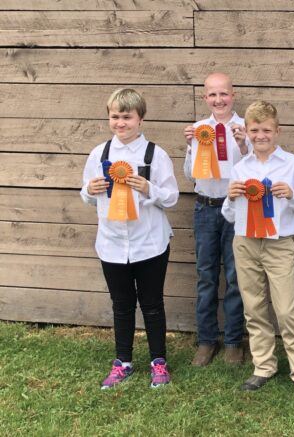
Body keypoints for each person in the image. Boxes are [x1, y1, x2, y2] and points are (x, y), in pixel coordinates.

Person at [81, 88, 179, 389]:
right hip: (112, 244)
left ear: (140, 119)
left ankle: (158, 362)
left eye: (127, 117)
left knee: (152, 304)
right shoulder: (99, 154)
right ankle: (122, 362)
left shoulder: (155, 155)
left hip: (149, 242)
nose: (120, 123)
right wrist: (91, 191)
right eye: (115, 116)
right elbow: (85, 194)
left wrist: (149, 189)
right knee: (121, 304)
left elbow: (172, 197)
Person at [222, 100, 294, 395]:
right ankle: (263, 365)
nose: (260, 135)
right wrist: (230, 198)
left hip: (279, 244)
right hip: (246, 243)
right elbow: (229, 215)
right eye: (254, 130)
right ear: (247, 132)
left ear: (278, 131)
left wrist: (291, 195)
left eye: (266, 130)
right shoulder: (240, 167)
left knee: (286, 309)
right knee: (253, 307)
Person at [183, 72, 250, 367]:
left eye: (223, 94)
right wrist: (190, 147)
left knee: (236, 277)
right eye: (212, 95)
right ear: (204, 98)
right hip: (206, 208)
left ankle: (234, 341)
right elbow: (189, 176)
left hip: (237, 209)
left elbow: (253, 172)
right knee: (206, 276)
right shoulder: (198, 130)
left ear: (233, 95)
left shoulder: (246, 129)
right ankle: (207, 341)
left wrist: (244, 146)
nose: (218, 99)